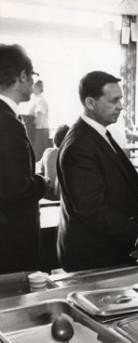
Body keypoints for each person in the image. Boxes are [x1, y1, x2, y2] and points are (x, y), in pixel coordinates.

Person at [57, 71, 138, 271]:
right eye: (114, 100)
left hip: (108, 246)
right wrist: (135, 233)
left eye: (121, 99)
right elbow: (92, 209)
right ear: (90, 103)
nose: (120, 106)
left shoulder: (99, 134)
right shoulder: (79, 144)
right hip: (92, 254)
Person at [0, 44, 49, 274]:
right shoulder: (8, 123)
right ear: (22, 76)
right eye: (32, 76)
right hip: (10, 238)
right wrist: (43, 182)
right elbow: (15, 189)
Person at [38, 124, 69, 200]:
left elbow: (42, 170)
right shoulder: (69, 155)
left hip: (47, 194)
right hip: (60, 195)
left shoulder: (47, 151)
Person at [22, 79, 49, 160]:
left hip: (40, 130)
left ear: (37, 87)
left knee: (37, 155)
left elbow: (39, 119)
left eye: (33, 86)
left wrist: (28, 126)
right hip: (37, 130)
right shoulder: (35, 99)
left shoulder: (40, 100)